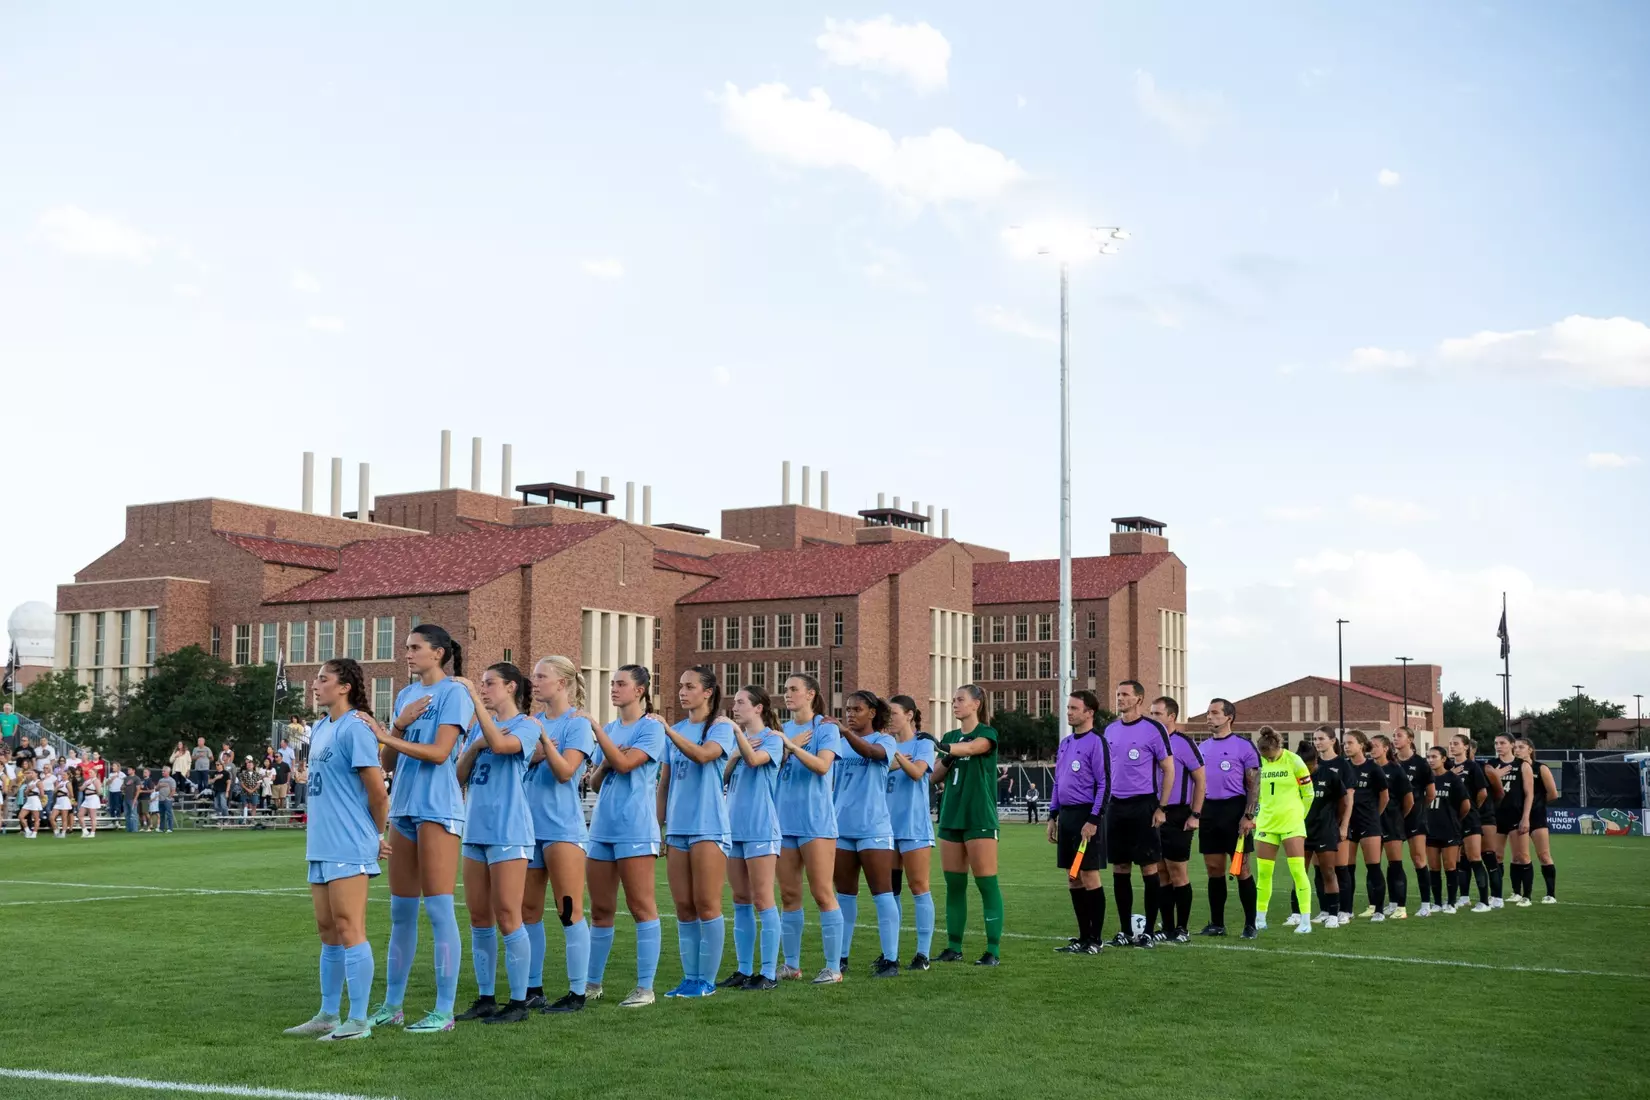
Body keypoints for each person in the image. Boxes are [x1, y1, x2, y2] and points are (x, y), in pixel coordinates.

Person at [366, 623, 476, 1034]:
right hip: (405, 809)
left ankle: (443, 1011)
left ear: (439, 653)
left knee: (439, 908)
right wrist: (394, 728)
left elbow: (440, 753)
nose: (407, 654)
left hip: (439, 809)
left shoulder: (456, 693)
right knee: (401, 912)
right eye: (406, 647)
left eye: (415, 647)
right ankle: (393, 1005)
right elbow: (387, 763)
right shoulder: (406, 695)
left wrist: (385, 733)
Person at [283, 658, 389, 1042]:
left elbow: (378, 793)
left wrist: (374, 835)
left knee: (350, 928)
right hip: (321, 843)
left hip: (349, 842)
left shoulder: (357, 727)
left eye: (323, 679)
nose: (315, 684)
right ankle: (328, 1014)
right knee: (328, 931)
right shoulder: (321, 727)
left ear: (344, 687)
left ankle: (358, 1021)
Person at [450, 665, 537, 1025]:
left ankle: (518, 1002)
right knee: (479, 917)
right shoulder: (478, 728)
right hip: (476, 831)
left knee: (507, 914)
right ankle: (486, 996)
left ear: (511, 687)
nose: (483, 689)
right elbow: (459, 774)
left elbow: (502, 745)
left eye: (489, 684)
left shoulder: (528, 726)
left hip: (509, 831)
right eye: (480, 685)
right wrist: (476, 743)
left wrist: (472, 700)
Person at [584, 664, 667, 1008]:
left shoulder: (652, 729)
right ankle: (591, 984)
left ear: (640, 690)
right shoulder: (611, 728)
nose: (614, 688)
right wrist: (604, 756)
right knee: (600, 908)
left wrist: (596, 735)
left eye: (621, 684)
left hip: (635, 826)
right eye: (613, 683)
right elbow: (596, 781)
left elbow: (625, 764)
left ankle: (645, 988)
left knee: (641, 906)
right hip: (603, 827)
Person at [522, 656, 598, 1014]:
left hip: (562, 829)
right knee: (528, 911)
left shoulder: (577, 724)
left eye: (542, 676)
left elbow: (567, 770)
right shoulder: (532, 722)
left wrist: (543, 745)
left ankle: (576, 992)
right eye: (534, 676)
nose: (534, 682)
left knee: (568, 910)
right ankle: (532, 987)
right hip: (526, 827)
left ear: (563, 683)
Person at [659, 666, 736, 999]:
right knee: (684, 907)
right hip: (678, 829)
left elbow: (704, 756)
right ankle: (690, 978)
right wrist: (660, 826)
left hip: (708, 826)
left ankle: (707, 980)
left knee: (707, 904)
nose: (682, 691)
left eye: (689, 686)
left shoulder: (719, 728)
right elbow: (664, 784)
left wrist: (668, 732)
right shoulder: (675, 729)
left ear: (708, 692)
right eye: (680, 685)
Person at [775, 672, 845, 983]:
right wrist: (785, 747)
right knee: (789, 895)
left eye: (794, 689)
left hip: (816, 822)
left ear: (811, 694)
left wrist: (792, 747)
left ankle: (833, 967)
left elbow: (822, 766)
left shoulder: (825, 728)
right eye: (786, 689)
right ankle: (791, 965)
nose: (787, 694)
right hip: (783, 821)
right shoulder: (780, 730)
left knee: (821, 892)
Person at [931, 684, 1004, 965]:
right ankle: (953, 947)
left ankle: (993, 950)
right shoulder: (950, 737)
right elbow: (933, 776)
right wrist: (947, 753)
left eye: (960, 700)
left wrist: (946, 747)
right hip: (951, 816)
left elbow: (975, 748)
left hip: (979, 818)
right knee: (954, 885)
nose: (955, 704)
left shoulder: (987, 733)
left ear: (976, 704)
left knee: (987, 884)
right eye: (953, 700)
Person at [832, 690, 903, 979]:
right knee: (844, 895)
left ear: (872, 713)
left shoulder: (884, 740)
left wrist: (846, 734)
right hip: (842, 828)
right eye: (848, 709)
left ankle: (891, 960)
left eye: (857, 709)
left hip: (873, 828)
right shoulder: (839, 742)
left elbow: (871, 754)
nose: (850, 714)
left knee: (882, 893)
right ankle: (841, 956)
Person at [720, 685, 786, 990]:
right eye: (734, 703)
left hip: (761, 828)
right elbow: (723, 774)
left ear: (759, 707)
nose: (735, 707)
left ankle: (768, 973)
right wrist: (734, 750)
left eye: (741, 702)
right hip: (735, 830)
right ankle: (744, 969)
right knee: (740, 899)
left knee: (763, 899)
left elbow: (754, 761)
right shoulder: (740, 741)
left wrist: (736, 737)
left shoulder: (772, 739)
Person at [1101, 680, 1174, 949]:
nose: (1119, 698)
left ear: (1139, 699)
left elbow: (1169, 769)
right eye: (1117, 694)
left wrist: (1161, 807)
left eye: (1125, 695)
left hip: (1144, 805)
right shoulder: (1109, 730)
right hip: (1116, 806)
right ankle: (1123, 931)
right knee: (1120, 867)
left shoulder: (1153, 729)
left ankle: (1147, 932)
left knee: (1149, 867)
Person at [1048, 690, 1110, 954]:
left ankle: (1095, 939)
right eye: (1068, 708)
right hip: (1068, 816)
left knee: (1089, 875)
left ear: (1089, 712)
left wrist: (1094, 819)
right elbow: (1059, 780)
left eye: (1074, 708)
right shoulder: (1065, 743)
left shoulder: (1097, 742)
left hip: (1087, 815)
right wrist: (1052, 815)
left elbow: (1105, 784)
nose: (1069, 712)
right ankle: (1083, 936)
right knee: (1073, 878)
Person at [1195, 698, 1261, 939]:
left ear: (1228, 717)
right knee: (1214, 869)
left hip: (1235, 811)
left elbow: (1254, 783)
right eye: (1208, 713)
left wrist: (1248, 815)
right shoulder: (1201, 748)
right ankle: (1217, 924)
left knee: (1242, 869)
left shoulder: (1244, 746)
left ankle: (1250, 924)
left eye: (1214, 713)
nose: (1209, 717)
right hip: (1210, 811)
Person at [886, 695, 937, 970]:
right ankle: (891, 952)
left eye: (893, 712)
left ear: (909, 714)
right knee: (890, 891)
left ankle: (923, 954)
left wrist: (894, 756)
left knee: (918, 887)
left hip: (913, 826)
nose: (890, 717)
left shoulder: (923, 743)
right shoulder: (886, 743)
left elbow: (917, 773)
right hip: (886, 828)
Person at [1249, 727, 1316, 934]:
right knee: (1264, 873)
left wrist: (1298, 816)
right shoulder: (1260, 762)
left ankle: (1305, 920)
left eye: (1271, 756)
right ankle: (1259, 918)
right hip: (1267, 824)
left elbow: (1309, 793)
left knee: (1298, 871)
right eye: (1265, 757)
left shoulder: (1294, 761)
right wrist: (1256, 816)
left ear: (1279, 747)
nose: (1268, 759)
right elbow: (1256, 792)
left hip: (1291, 823)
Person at [1148, 696, 1203, 943]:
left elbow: (1201, 779)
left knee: (1178, 871)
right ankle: (1167, 927)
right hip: (1153, 813)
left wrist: (1195, 814)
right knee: (1160, 871)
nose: (1153, 718)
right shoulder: (1150, 742)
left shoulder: (1183, 743)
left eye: (1158, 714)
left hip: (1178, 813)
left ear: (1171, 716)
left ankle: (1182, 928)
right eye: (1151, 714)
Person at [1339, 730, 1389, 921]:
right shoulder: (1344, 767)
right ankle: (1347, 910)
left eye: (1350, 743)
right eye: (1344, 743)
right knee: (1346, 868)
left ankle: (1379, 911)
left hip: (1369, 823)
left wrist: (1374, 816)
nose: (1346, 746)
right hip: (1349, 823)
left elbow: (1385, 796)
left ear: (1361, 745)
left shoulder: (1373, 768)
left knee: (1373, 867)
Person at [1370, 734, 1418, 920]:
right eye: (1370, 746)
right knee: (1373, 865)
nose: (1371, 749)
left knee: (1395, 864)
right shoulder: (1368, 768)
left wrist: (1397, 818)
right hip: (1372, 822)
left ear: (1385, 749)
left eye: (1375, 746)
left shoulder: (1396, 770)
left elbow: (1409, 800)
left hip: (1392, 822)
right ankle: (1375, 905)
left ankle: (1400, 907)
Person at [1420, 746, 1470, 915]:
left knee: (1449, 866)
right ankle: (1437, 902)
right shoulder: (1425, 779)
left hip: (1450, 829)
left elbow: (1465, 806)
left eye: (1434, 756)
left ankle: (1451, 902)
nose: (1430, 760)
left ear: (1443, 759)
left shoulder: (1453, 779)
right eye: (1428, 757)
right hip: (1430, 829)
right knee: (1433, 867)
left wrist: (1454, 820)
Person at [1485, 733, 1533, 908]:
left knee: (1522, 855)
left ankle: (1526, 896)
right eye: (1496, 743)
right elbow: (1484, 788)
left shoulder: (1522, 765)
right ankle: (1496, 894)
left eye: (1503, 743)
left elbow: (1529, 794)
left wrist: (1526, 817)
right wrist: (1495, 775)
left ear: (1512, 745)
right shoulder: (1490, 765)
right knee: (1496, 856)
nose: (1498, 746)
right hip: (1495, 816)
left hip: (1515, 815)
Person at [1390, 727, 1433, 916]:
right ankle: (1394, 903)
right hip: (1394, 817)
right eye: (1393, 736)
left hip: (1415, 816)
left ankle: (1425, 904)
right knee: (1394, 861)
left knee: (1418, 859)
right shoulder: (1391, 762)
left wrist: (1419, 809)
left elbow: (1430, 793)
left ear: (1410, 739)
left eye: (1399, 736)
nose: (1395, 739)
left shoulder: (1421, 763)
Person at [1448, 734, 1493, 912]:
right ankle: (1464, 897)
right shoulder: (1447, 767)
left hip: (1470, 817)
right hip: (1451, 819)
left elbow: (1482, 793)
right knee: (1459, 859)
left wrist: (1471, 807)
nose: (1452, 747)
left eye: (1456, 744)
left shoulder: (1473, 767)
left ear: (1466, 747)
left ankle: (1484, 902)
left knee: (1475, 857)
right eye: (1451, 744)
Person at [1516, 738, 1559, 904]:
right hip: (1517, 816)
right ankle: (1522, 894)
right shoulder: (1513, 768)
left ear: (1530, 750)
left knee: (1544, 855)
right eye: (1515, 747)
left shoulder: (1540, 768)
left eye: (1521, 747)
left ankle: (1551, 894)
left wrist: (1537, 804)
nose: (1517, 750)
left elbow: (1553, 793)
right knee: (1521, 856)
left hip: (1537, 816)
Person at [78, 768, 102, 838]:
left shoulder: (96, 781)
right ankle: (85, 830)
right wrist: (85, 785)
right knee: (80, 815)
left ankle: (92, 832)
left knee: (92, 817)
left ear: (95, 773)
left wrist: (94, 792)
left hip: (93, 798)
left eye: (91, 772)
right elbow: (81, 789)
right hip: (87, 799)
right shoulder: (87, 781)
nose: (90, 774)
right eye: (89, 772)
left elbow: (99, 792)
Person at [155, 767, 177, 833]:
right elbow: (156, 789)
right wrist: (159, 785)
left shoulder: (171, 780)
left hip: (167, 800)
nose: (162, 772)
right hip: (160, 799)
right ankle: (161, 828)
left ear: (168, 772)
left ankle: (170, 828)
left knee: (169, 814)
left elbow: (173, 791)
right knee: (162, 815)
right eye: (162, 771)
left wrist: (168, 797)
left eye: (164, 771)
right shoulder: (160, 780)